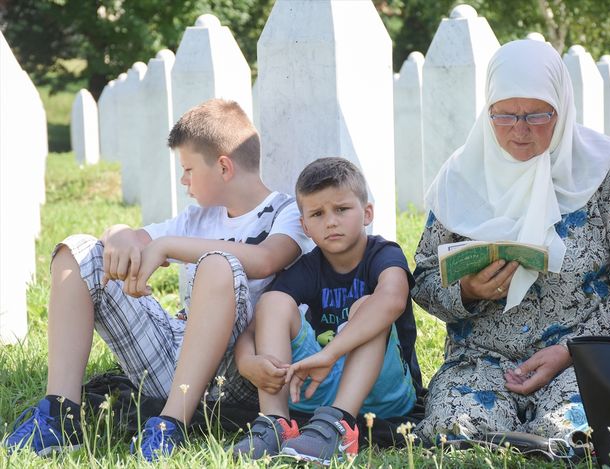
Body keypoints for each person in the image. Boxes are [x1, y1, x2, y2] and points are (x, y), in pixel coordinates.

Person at [3, 99, 311, 460]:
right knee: (78, 251)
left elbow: (266, 259)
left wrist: (166, 246)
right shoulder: (196, 219)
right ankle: (60, 414)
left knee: (218, 264)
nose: (184, 181)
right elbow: (128, 239)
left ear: (224, 167)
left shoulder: (286, 210)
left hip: (243, 369)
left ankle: (170, 425)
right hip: (176, 357)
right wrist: (118, 231)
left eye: (189, 170)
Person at [412, 40, 610, 444]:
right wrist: (468, 291)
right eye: (504, 115)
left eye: (537, 115)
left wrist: (570, 350)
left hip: (583, 359)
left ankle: (547, 434)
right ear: (487, 110)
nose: (520, 129)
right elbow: (422, 278)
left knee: (575, 431)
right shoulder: (463, 174)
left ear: (561, 107)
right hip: (481, 360)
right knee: (454, 428)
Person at [232, 157, 421, 464]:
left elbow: (392, 301)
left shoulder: (383, 253)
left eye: (342, 209)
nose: (330, 221)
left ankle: (341, 424)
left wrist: (330, 353)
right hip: (318, 385)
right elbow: (254, 327)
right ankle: (276, 423)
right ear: (305, 226)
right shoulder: (309, 267)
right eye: (317, 214)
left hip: (384, 392)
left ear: (367, 213)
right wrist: (246, 362)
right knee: (273, 302)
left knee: (367, 306)